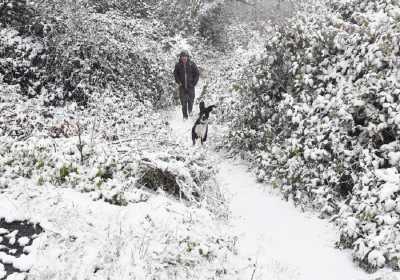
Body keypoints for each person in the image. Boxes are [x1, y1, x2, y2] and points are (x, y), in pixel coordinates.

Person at [173, 50, 199, 119]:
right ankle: (185, 117)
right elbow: (175, 74)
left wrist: (194, 83)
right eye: (182, 57)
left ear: (187, 57)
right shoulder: (178, 65)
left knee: (191, 101)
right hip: (182, 87)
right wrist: (179, 82)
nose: (184, 58)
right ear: (180, 57)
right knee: (183, 103)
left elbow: (197, 74)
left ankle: (190, 112)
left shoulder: (192, 64)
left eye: (185, 56)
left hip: (191, 87)